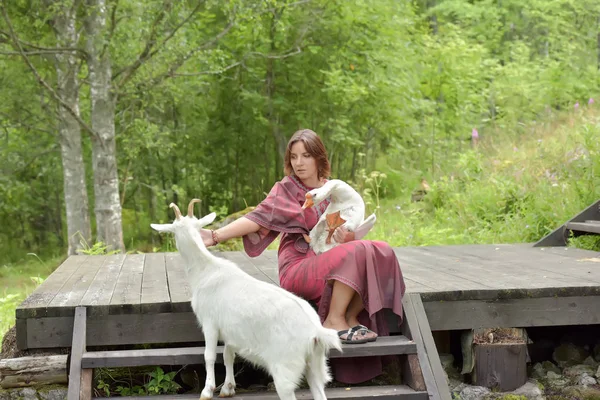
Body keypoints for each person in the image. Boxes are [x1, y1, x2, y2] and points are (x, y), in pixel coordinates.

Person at [200, 129, 406, 384]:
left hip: (330, 259)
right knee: (361, 250)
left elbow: (347, 234)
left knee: (381, 249)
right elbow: (256, 218)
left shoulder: (334, 191)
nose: (299, 163)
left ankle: (351, 317)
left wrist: (347, 237)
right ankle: (334, 319)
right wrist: (215, 236)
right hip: (299, 267)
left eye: (306, 156)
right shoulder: (286, 190)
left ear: (319, 158)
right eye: (294, 157)